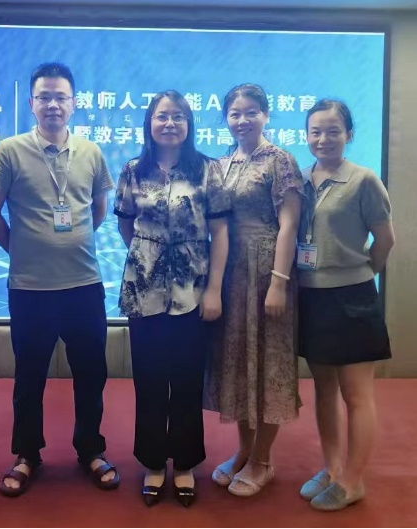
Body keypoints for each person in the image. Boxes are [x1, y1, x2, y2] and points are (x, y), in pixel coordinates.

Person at [0, 62, 119, 497]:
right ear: (32, 103)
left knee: (91, 374)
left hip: (83, 285)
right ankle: (27, 455)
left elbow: (98, 208)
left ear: (74, 103)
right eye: (45, 97)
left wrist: (70, 243)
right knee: (30, 378)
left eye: (61, 97)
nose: (53, 104)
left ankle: (90, 450)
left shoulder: (91, 152)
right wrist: (22, 251)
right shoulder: (10, 150)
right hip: (30, 289)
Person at [115, 90, 231, 508]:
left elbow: (220, 232)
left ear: (189, 124)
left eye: (178, 117)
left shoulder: (207, 169)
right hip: (143, 290)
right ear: (149, 122)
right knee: (148, 380)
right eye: (162, 116)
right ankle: (152, 462)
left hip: (192, 290)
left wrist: (213, 288)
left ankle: (183, 463)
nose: (169, 123)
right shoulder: (134, 169)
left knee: (185, 379)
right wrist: (148, 257)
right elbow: (126, 225)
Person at [203, 83, 304, 497]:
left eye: (250, 112)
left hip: (266, 271)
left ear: (265, 115)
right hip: (230, 274)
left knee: (269, 364)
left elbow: (290, 225)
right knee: (239, 364)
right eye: (234, 113)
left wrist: (279, 282)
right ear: (225, 118)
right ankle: (244, 451)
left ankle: (263, 460)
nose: (242, 120)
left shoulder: (280, 160)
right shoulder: (222, 163)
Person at [296, 99, 394, 511]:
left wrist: (359, 273)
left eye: (333, 131)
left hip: (353, 298)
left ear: (349, 134)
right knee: (324, 391)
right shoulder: (300, 180)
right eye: (315, 131)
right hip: (311, 296)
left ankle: (354, 480)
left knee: (356, 395)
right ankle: (333, 469)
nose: (324, 139)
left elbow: (385, 240)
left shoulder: (363, 179)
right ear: (306, 136)